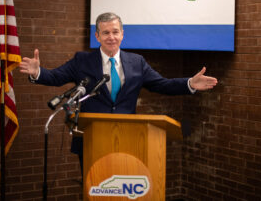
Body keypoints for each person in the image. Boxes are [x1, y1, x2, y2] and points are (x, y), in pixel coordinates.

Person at [19, 12, 218, 170]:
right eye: (105, 33)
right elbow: (56, 77)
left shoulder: (137, 62)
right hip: (91, 138)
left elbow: (162, 84)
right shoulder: (82, 61)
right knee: (93, 188)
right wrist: (38, 72)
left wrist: (190, 83)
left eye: (115, 32)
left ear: (122, 34)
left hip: (128, 137)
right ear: (97, 36)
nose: (111, 37)